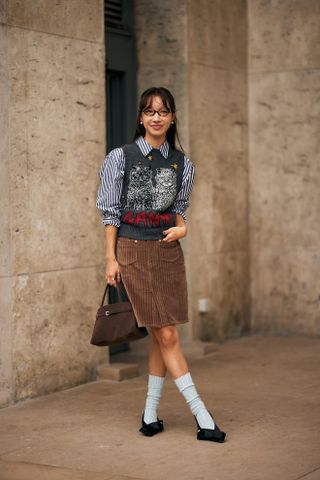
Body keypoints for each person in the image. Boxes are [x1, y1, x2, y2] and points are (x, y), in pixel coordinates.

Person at [96, 86, 226, 443]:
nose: (156, 117)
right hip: (133, 251)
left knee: (160, 333)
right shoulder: (119, 158)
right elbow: (110, 213)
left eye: (163, 111)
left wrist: (183, 230)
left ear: (172, 118)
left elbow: (179, 211)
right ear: (140, 117)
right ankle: (202, 415)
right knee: (166, 333)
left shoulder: (184, 164)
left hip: (168, 253)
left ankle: (150, 414)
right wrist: (110, 257)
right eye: (150, 111)